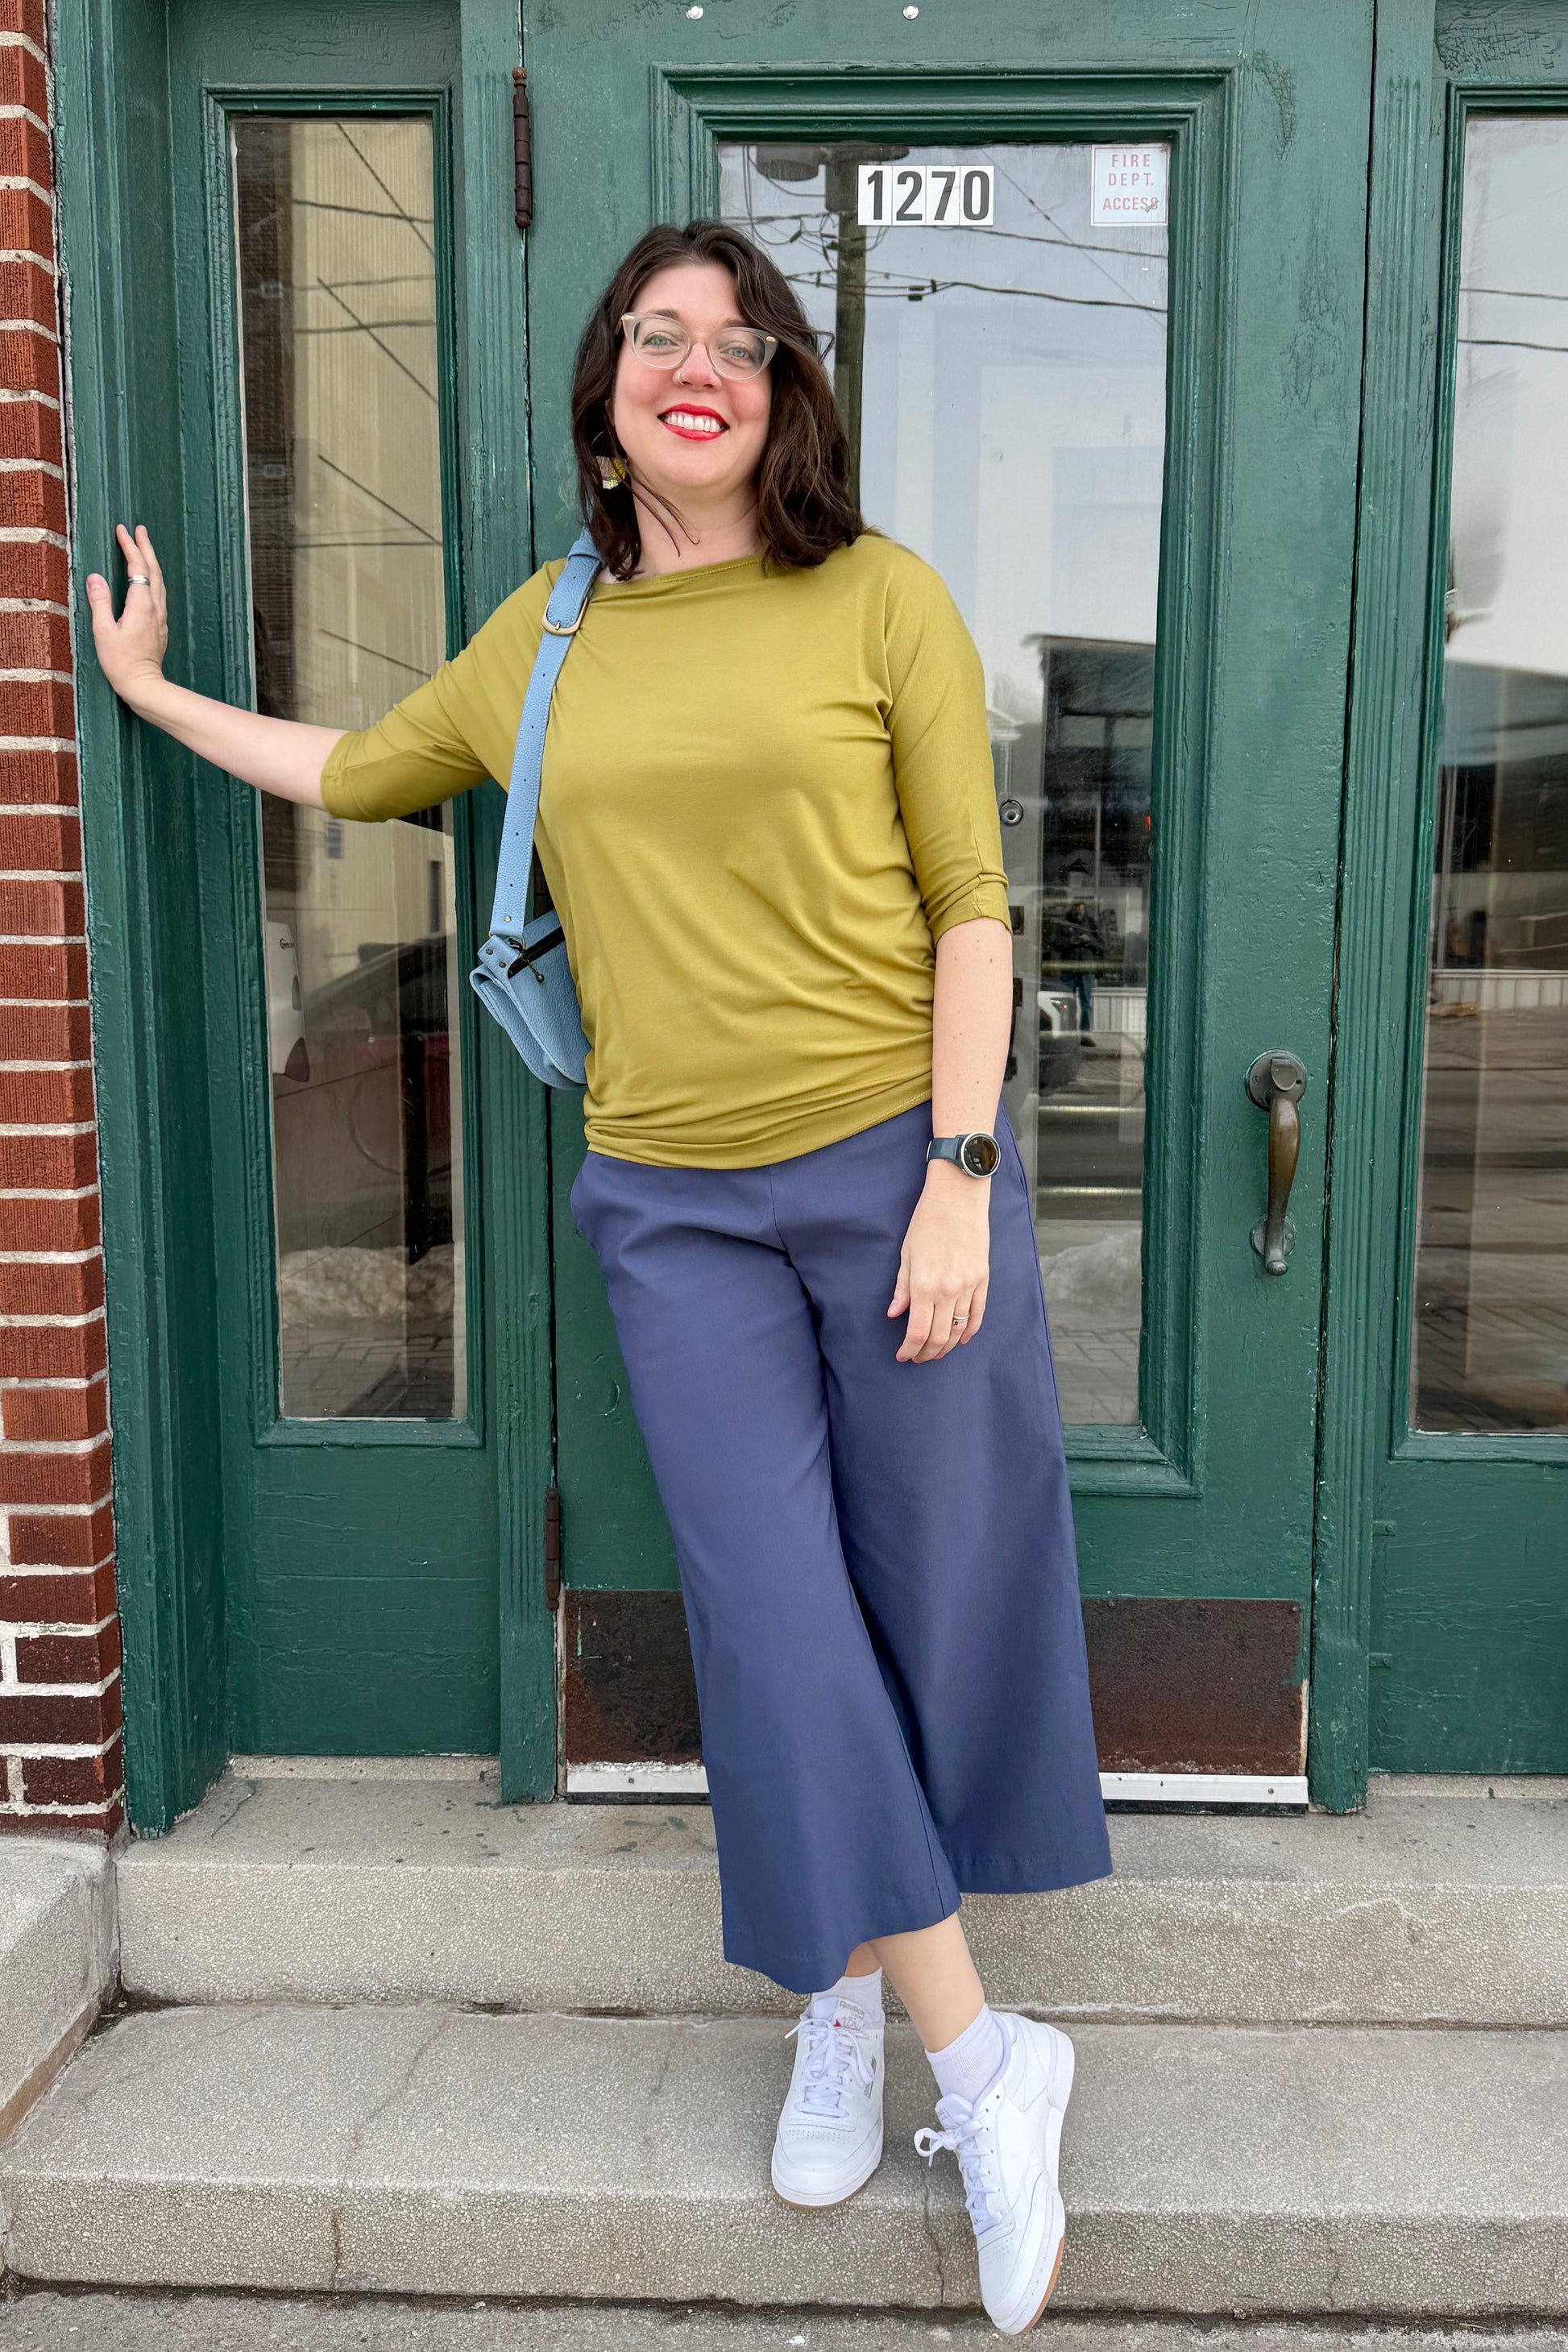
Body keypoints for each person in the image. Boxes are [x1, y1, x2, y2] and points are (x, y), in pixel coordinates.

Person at [87, 218, 1111, 2337]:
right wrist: (150, 688)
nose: (698, 366)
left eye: (739, 339)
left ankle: (839, 2007)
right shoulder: (546, 636)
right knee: (766, 1606)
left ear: (783, 389)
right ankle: (972, 2056)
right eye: (662, 334)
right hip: (669, 1199)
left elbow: (971, 905)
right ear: (609, 385)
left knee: (912, 1595)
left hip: (893, 1172)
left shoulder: (876, 596)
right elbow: (363, 770)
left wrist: (955, 1169)